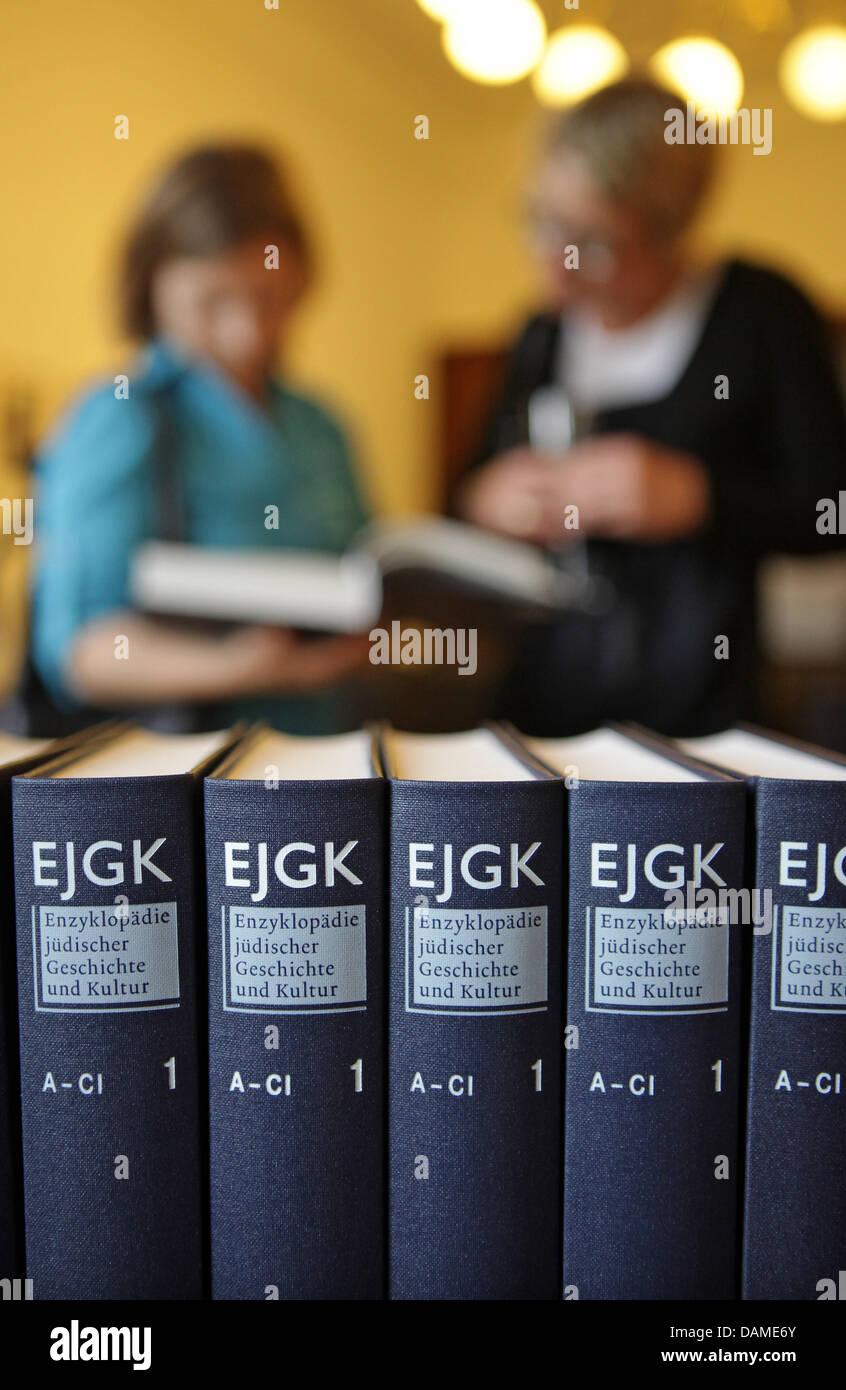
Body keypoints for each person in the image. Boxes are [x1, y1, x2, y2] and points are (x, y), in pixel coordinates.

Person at [455, 78, 846, 735]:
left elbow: (830, 509)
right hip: (544, 710)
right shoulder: (539, 337)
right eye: (543, 222)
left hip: (704, 717)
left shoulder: (761, 314)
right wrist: (485, 501)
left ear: (671, 233)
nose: (557, 265)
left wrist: (701, 497)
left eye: (596, 242)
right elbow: (464, 492)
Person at [30, 144, 369, 733]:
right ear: (154, 287)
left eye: (270, 301)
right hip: (188, 781)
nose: (246, 334)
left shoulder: (323, 426)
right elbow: (79, 651)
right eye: (212, 303)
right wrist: (243, 667)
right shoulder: (118, 415)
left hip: (330, 758)